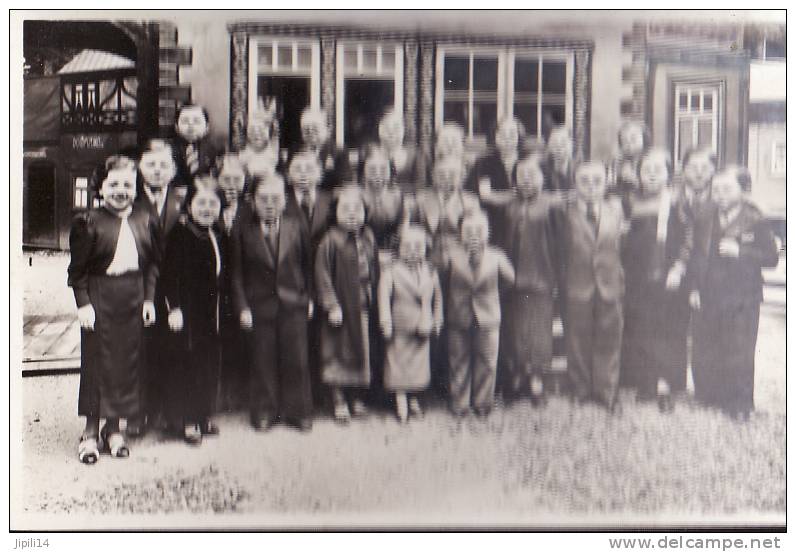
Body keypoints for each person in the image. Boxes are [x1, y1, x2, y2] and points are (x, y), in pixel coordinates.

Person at [67, 155, 160, 463]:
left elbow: (152, 265)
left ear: (137, 187)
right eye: (114, 184)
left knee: (125, 365)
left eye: (128, 185)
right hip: (100, 297)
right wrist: (83, 304)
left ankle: (114, 428)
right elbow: (77, 272)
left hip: (132, 298)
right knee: (97, 365)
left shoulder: (146, 218)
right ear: (101, 187)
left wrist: (149, 299)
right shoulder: (88, 222)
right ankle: (91, 433)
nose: (121, 191)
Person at [691, 167, 778, 420]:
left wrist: (741, 252)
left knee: (740, 349)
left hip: (743, 298)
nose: (720, 194)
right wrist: (695, 288)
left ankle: (740, 403)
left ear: (744, 190)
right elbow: (697, 256)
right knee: (710, 345)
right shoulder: (705, 216)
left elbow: (771, 258)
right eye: (715, 189)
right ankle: (710, 396)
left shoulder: (756, 219)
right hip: (710, 293)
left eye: (727, 188)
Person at [232, 174, 315, 432]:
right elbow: (236, 274)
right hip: (259, 305)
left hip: (294, 302)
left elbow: (308, 266)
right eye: (263, 198)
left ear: (285, 200)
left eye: (276, 198)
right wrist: (243, 307)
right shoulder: (243, 231)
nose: (270, 204)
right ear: (253, 201)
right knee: (263, 359)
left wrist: (309, 298)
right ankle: (265, 411)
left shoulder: (296, 226)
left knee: (297, 359)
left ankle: (297, 411)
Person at [620, 148, 692, 411]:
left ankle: (665, 384)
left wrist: (679, 268)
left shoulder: (676, 201)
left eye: (657, 170)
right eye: (645, 170)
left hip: (667, 276)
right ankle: (646, 381)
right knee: (642, 328)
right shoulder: (630, 202)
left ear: (668, 174)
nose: (651, 175)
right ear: (638, 174)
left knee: (667, 330)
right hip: (637, 278)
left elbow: (688, 239)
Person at [555, 160, 625, 413]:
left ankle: (607, 392)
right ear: (575, 184)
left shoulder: (616, 210)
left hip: (610, 284)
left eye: (597, 181)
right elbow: (559, 251)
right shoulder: (565, 212)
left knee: (609, 338)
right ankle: (580, 389)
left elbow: (623, 248)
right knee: (577, 338)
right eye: (584, 181)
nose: (591, 187)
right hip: (577, 284)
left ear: (606, 183)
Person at [131, 139, 186, 435]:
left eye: (164, 165)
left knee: (174, 348)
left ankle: (172, 414)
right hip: (141, 286)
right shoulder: (131, 202)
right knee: (143, 349)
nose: (157, 171)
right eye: (151, 165)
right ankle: (140, 413)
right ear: (141, 168)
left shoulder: (182, 201)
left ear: (174, 170)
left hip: (175, 284)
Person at [161, 186, 224, 444]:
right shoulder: (180, 234)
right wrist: (173, 307)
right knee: (187, 366)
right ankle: (187, 421)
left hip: (209, 313)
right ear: (189, 207)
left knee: (207, 365)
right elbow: (169, 274)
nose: (207, 209)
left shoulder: (215, 234)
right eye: (202, 203)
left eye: (213, 204)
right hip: (187, 314)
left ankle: (202, 416)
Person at [442, 211, 515, 417]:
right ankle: (460, 402)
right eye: (468, 231)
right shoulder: (451, 255)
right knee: (458, 360)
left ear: (488, 232)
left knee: (487, 360)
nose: (474, 235)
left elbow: (510, 279)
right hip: (458, 314)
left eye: (479, 230)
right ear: (460, 233)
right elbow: (442, 279)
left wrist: (492, 296)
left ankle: (483, 402)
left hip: (488, 316)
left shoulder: (497, 255)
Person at [315, 187, 378, 423]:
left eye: (358, 209)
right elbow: (322, 275)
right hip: (340, 305)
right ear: (335, 213)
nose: (352, 215)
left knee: (360, 348)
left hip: (361, 302)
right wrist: (331, 305)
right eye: (346, 210)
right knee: (337, 351)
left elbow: (374, 270)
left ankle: (356, 396)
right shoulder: (330, 240)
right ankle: (338, 398)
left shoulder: (368, 237)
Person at [501, 156, 559, 404]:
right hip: (515, 278)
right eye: (521, 175)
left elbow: (559, 244)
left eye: (532, 175)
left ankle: (537, 378)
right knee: (517, 329)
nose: (526, 180)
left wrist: (556, 276)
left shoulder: (551, 206)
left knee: (539, 331)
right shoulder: (510, 207)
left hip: (542, 277)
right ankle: (518, 374)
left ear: (543, 178)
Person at [283, 150, 334, 409]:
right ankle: (299, 398)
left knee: (323, 335)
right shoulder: (281, 201)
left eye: (309, 169)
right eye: (297, 169)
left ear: (319, 174)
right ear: (289, 174)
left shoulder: (329, 200)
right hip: (293, 277)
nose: (303, 175)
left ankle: (323, 393)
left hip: (324, 275)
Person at [378, 225, 443, 422]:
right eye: (408, 247)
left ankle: (414, 397)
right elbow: (383, 298)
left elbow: (438, 298)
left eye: (418, 246)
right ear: (399, 249)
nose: (413, 251)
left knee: (418, 364)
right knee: (397, 362)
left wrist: (438, 319)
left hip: (422, 324)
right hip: (399, 326)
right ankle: (401, 401)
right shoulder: (391, 271)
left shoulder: (430, 271)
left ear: (425, 248)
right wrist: (385, 321)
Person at [216, 154, 251, 412]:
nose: (231, 184)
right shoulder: (209, 205)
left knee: (243, 336)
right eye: (226, 178)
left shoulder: (251, 209)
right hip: (217, 282)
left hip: (244, 280)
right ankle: (220, 394)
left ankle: (241, 393)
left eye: (236, 179)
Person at [467, 117, 525, 251]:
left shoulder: (527, 160)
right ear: (495, 137)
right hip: (493, 215)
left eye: (512, 134)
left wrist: (505, 196)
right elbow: (486, 195)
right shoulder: (485, 162)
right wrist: (514, 195)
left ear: (519, 137)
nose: (507, 138)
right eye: (502, 134)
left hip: (524, 214)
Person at [414, 156, 480, 269]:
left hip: (461, 257)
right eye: (441, 174)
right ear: (433, 176)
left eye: (452, 174)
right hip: (427, 256)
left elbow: (474, 236)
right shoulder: (421, 199)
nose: (446, 178)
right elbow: (415, 229)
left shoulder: (470, 201)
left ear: (461, 177)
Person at [360, 147, 407, 263]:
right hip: (362, 256)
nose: (377, 173)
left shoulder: (397, 196)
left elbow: (402, 229)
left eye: (383, 169)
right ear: (363, 171)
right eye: (372, 169)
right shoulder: (356, 196)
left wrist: (395, 253)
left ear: (391, 171)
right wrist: (375, 256)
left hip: (391, 255)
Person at [291, 107, 351, 190]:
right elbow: (289, 178)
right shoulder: (295, 150)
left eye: (315, 129)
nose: (310, 133)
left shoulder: (339, 151)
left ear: (328, 129)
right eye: (306, 130)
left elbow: (344, 183)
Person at [377, 109, 425, 193]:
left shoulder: (414, 155)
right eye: (387, 128)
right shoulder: (372, 153)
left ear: (403, 131)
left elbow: (420, 185)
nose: (391, 132)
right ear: (380, 130)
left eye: (396, 128)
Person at [608, 120, 648, 216]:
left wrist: (634, 179)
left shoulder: (651, 160)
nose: (629, 144)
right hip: (622, 210)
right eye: (624, 141)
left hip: (645, 208)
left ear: (644, 138)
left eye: (633, 139)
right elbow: (611, 188)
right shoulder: (618, 162)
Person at [173, 103, 218, 186]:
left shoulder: (215, 150)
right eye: (185, 121)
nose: (191, 125)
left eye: (196, 121)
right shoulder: (170, 150)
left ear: (207, 127)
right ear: (176, 127)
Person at [239, 100, 281, 179]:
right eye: (252, 130)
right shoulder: (244, 152)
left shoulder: (272, 149)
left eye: (261, 129)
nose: (257, 134)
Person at [544, 125, 576, 193]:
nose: (558, 147)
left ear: (571, 144)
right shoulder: (543, 169)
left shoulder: (578, 168)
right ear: (549, 146)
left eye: (563, 143)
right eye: (554, 143)